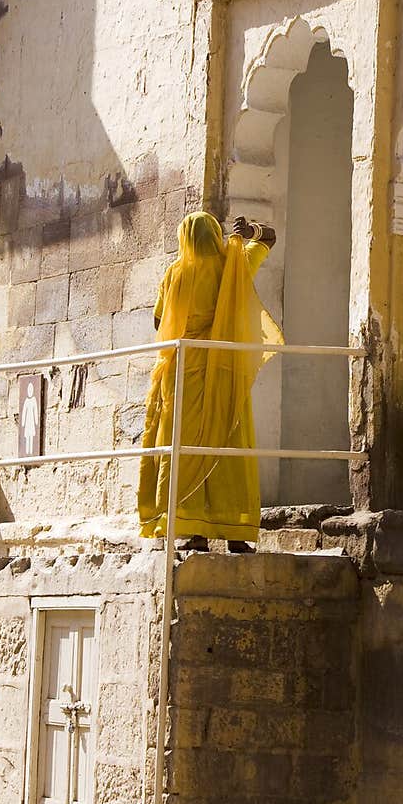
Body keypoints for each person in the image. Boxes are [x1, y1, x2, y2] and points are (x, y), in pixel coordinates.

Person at [138, 212, 283, 553]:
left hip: (183, 372)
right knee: (228, 448)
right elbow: (269, 238)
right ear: (215, 235)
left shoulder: (175, 273)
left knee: (186, 448)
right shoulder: (232, 264)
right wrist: (250, 231)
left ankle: (194, 532)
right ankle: (236, 534)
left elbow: (159, 319)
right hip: (224, 371)